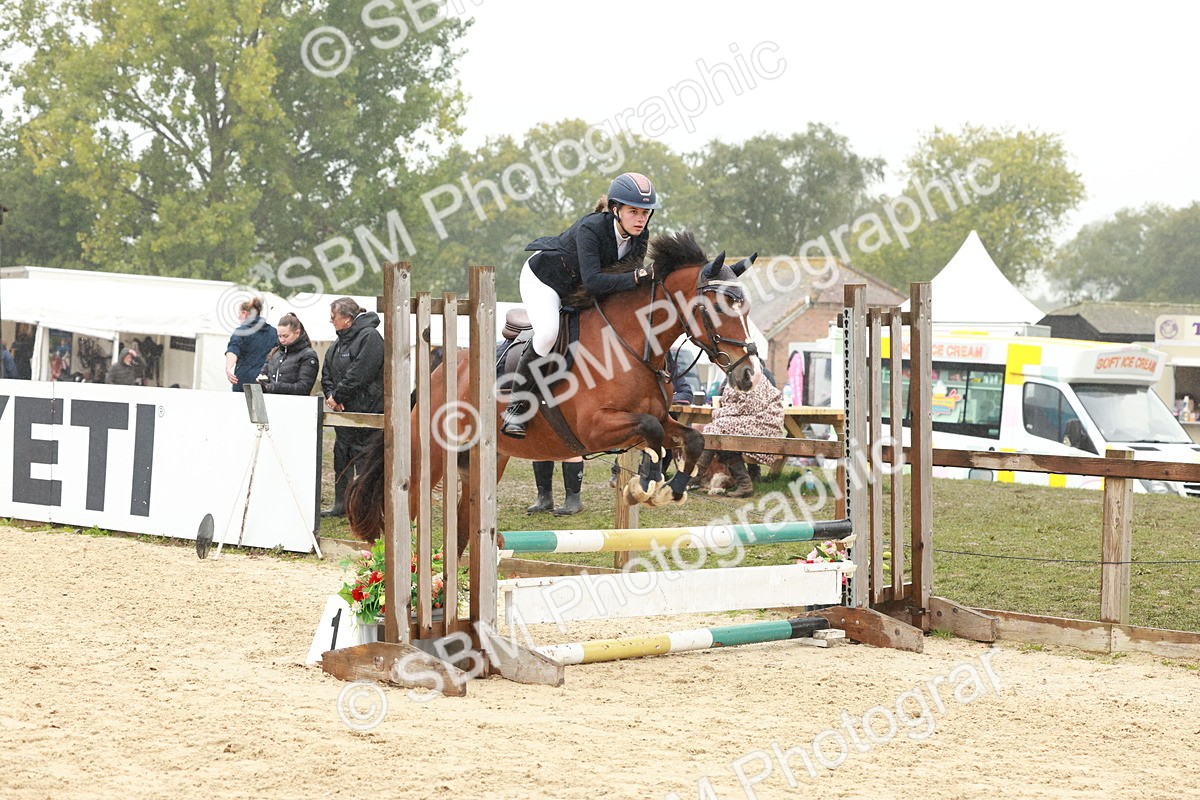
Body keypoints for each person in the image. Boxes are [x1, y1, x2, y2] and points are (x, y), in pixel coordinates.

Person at [501, 172, 662, 439]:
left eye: (645, 212)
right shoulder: (592, 228)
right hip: (545, 281)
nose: (641, 218)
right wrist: (639, 276)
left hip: (578, 291)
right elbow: (595, 281)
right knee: (548, 334)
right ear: (615, 209)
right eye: (633, 211)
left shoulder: (640, 237)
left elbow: (625, 285)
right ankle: (516, 408)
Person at [320, 297, 384, 517]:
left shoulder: (370, 337)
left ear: (347, 318)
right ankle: (341, 504)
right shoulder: (337, 343)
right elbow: (326, 372)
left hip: (368, 413)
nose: (331, 321)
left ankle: (366, 508)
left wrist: (338, 395)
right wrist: (331, 396)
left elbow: (360, 373)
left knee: (367, 465)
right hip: (343, 415)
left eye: (333, 317)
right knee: (342, 458)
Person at [689, 365, 784, 498]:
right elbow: (733, 405)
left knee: (716, 430)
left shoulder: (752, 377)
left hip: (764, 424)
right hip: (749, 422)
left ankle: (695, 476)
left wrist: (720, 412)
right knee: (723, 437)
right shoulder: (733, 376)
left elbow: (746, 407)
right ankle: (744, 484)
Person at [256, 313, 319, 396]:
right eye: (279, 336)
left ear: (297, 333)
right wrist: (262, 382)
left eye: (285, 336)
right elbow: (263, 374)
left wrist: (275, 387)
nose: (281, 340)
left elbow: (304, 387)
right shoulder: (274, 353)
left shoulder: (308, 355)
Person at [225, 296, 277, 392]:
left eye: (239, 314)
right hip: (265, 382)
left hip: (243, 383)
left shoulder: (241, 331)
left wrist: (228, 367)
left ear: (245, 313)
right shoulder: (274, 332)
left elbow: (233, 349)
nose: (239, 317)